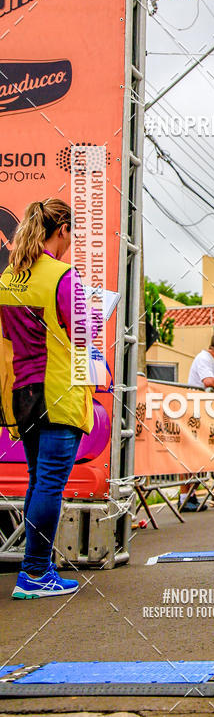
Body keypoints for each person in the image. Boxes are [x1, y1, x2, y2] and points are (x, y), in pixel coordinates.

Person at [0, 200, 97, 598]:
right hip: (58, 390)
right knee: (50, 484)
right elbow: (83, 335)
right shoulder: (63, 277)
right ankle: (36, 573)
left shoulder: (8, 277)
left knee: (39, 481)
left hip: (22, 392)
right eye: (72, 235)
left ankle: (36, 569)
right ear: (62, 232)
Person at [182, 330, 214, 510]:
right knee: (192, 454)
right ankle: (184, 496)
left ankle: (192, 495)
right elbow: (208, 381)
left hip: (209, 413)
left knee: (203, 455)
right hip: (195, 411)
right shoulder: (204, 358)